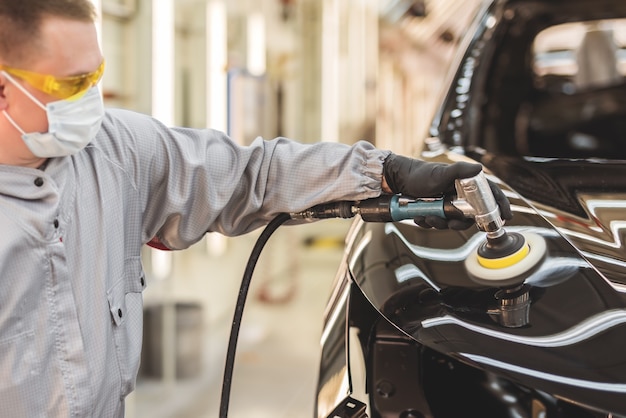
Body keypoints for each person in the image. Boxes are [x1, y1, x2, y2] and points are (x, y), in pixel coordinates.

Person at [0, 1, 511, 416]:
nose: (92, 97)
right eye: (70, 84)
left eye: (96, 75)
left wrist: (384, 172)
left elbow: (250, 174)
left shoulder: (116, 150)